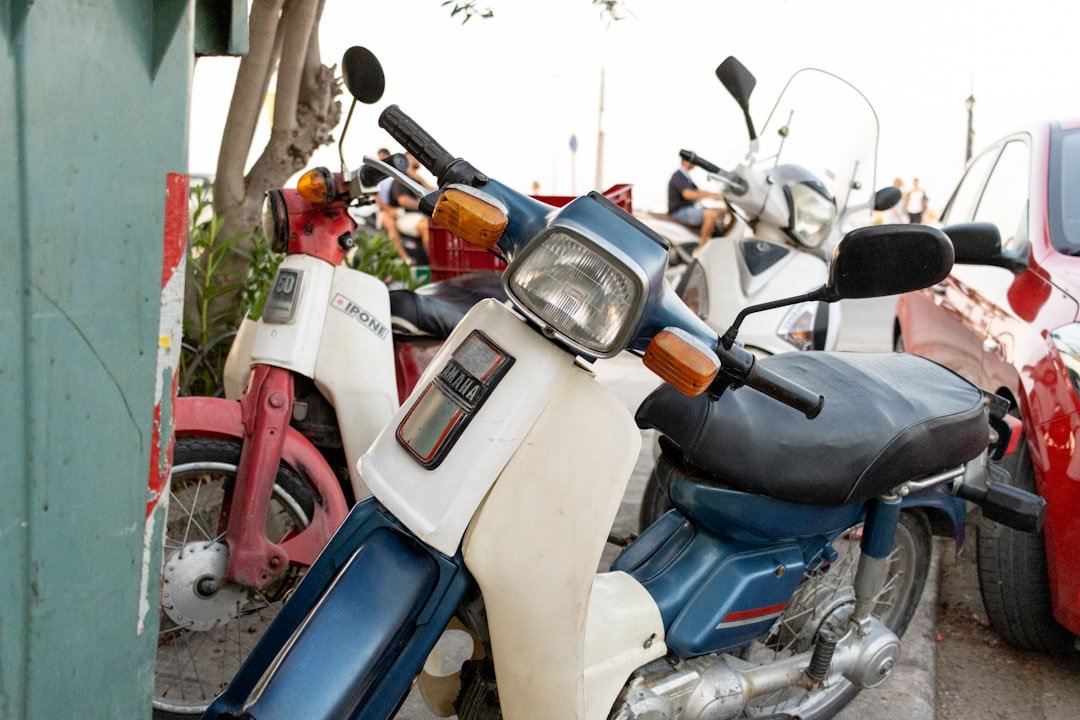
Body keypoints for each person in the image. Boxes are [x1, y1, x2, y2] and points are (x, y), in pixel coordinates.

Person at [383, 153, 435, 265]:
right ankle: (433, 263)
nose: (419, 159)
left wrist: (422, 180)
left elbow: (434, 193)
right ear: (407, 158)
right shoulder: (401, 179)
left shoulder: (417, 180)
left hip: (418, 216)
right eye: (414, 156)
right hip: (404, 216)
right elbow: (403, 200)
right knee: (427, 226)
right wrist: (425, 205)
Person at [668, 155, 727, 248]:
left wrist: (717, 195)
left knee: (721, 211)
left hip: (689, 209)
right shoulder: (678, 176)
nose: (695, 162)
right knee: (711, 214)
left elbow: (699, 191)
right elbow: (688, 194)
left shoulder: (687, 177)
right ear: (685, 161)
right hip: (679, 211)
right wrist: (709, 196)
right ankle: (701, 248)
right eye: (692, 160)